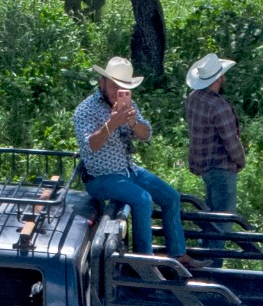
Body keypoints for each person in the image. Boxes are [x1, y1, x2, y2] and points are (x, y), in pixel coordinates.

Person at [73, 57, 185, 258]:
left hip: (128, 170)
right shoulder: (85, 110)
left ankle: (178, 254)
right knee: (143, 199)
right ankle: (144, 259)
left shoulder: (128, 104)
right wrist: (113, 123)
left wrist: (133, 123)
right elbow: (91, 145)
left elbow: (146, 134)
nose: (118, 91)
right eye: (114, 85)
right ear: (102, 83)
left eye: (123, 87)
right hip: (101, 177)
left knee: (171, 197)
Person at [183, 53, 246, 215]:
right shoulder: (219, 107)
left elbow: (195, 135)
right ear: (218, 79)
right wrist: (240, 162)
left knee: (210, 218)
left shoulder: (192, 99)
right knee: (223, 222)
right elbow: (232, 142)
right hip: (222, 169)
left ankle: (205, 241)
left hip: (204, 167)